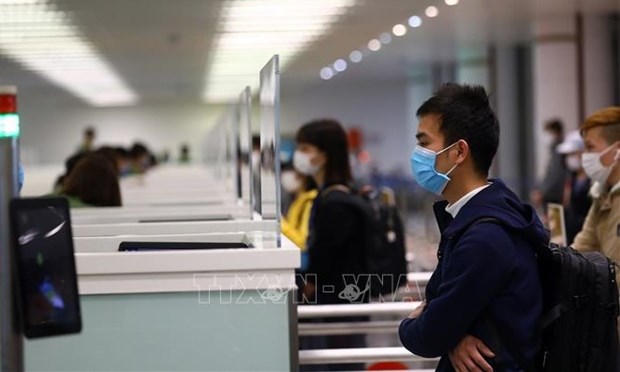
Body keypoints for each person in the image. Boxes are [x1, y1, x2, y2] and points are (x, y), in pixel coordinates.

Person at [398, 84, 547, 371]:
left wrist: (410, 325)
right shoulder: (479, 217)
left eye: (424, 142)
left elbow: (429, 335)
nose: (417, 153)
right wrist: (453, 335)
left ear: (459, 152)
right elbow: (443, 310)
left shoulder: (484, 236)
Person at [296, 119, 369, 371]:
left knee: (339, 364)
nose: (300, 156)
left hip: (339, 306)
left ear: (324, 154)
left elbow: (324, 257)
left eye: (305, 149)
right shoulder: (334, 194)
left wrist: (309, 283)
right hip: (339, 302)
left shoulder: (334, 202)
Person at [572, 107, 620, 281]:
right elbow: (584, 245)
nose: (585, 156)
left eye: (590, 147)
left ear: (617, 149)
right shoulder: (601, 194)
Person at [556, 131, 591, 245]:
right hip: (571, 239)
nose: (569, 158)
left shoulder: (593, 180)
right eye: (568, 155)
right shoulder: (571, 179)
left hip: (587, 239)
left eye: (573, 154)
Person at [280, 164, 318, 271]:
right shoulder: (297, 200)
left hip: (302, 263)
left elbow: (303, 241)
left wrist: (281, 224)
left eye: (297, 174)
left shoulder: (310, 201)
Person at [532, 119, 568, 210]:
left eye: (548, 132)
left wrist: (542, 193)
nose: (545, 136)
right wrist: (538, 189)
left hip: (554, 197)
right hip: (550, 196)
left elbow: (555, 175)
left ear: (556, 133)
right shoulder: (554, 150)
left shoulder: (560, 151)